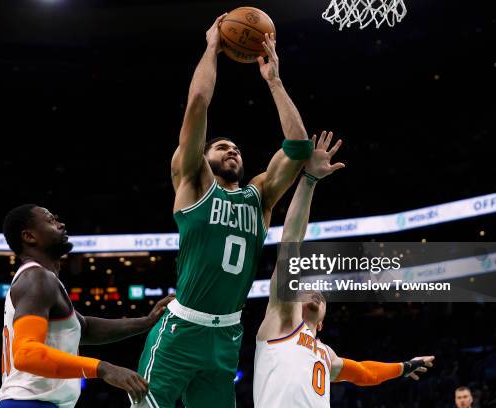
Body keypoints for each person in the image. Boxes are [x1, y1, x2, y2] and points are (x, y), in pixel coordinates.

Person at [136, 12, 317, 408]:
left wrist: (274, 81)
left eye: (235, 147)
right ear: (203, 157)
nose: (232, 149)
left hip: (227, 335)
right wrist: (212, 48)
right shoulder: (193, 183)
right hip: (181, 329)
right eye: (221, 146)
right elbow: (198, 103)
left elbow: (299, 147)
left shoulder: (260, 196)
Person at [253, 133, 435, 407]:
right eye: (307, 291)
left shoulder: (326, 354)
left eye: (322, 298)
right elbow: (291, 240)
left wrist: (404, 366)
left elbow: (364, 373)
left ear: (323, 322)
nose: (315, 294)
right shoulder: (282, 317)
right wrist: (309, 180)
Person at [0, 204, 174, 408]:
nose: (61, 224)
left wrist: (146, 322)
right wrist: (103, 368)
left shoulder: (42, 279)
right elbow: (26, 355)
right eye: (50, 221)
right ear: (29, 237)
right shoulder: (36, 278)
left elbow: (84, 328)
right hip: (29, 404)